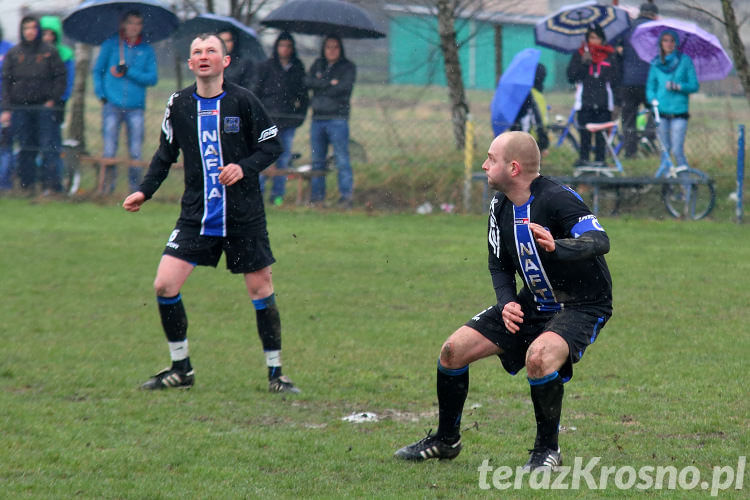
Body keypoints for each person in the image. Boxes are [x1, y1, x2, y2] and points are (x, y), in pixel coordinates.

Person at [394, 131, 612, 470]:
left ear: (512, 168)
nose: (483, 164)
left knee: (538, 358)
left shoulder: (557, 198)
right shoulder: (500, 206)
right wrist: (507, 301)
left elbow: (600, 240)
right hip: (534, 301)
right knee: (452, 352)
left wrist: (560, 246)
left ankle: (547, 451)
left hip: (581, 304)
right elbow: (498, 263)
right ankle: (446, 440)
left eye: (490, 159)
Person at [123, 33, 300, 394]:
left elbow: (271, 145)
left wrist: (244, 167)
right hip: (197, 215)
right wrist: (144, 190)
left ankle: (276, 374)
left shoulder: (243, 101)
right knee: (164, 284)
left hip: (243, 215)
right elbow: (164, 154)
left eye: (211, 52)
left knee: (260, 288)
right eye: (197, 52)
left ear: (225, 61)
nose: (204, 57)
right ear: (190, 64)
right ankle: (181, 368)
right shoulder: (179, 104)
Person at [93, 10, 158, 194]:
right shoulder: (111, 45)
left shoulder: (146, 50)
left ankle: (135, 189)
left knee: (136, 149)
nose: (134, 27)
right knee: (109, 148)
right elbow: (98, 71)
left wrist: (130, 71)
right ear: (123, 24)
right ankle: (106, 188)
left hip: (135, 107)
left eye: (138, 23)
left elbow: (152, 78)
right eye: (130, 23)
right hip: (112, 104)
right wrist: (101, 94)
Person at [0, 16, 67, 194]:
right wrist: (7, 107)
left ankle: (50, 186)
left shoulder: (49, 52)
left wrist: (52, 99)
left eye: (32, 28)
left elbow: (60, 77)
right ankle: (26, 185)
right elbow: (6, 81)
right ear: (22, 31)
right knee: (25, 146)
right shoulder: (14, 53)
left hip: (43, 107)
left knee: (48, 146)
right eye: (26, 28)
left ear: (37, 30)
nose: (29, 31)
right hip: (20, 107)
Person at [253, 31, 308, 206]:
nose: (285, 49)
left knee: (283, 159)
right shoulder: (266, 67)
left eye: (288, 46)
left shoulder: (297, 68)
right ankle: (258, 194)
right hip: (268, 120)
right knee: (263, 156)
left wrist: (299, 117)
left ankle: (278, 196)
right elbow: (256, 93)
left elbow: (304, 97)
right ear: (277, 47)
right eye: (282, 45)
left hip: (288, 121)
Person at [305, 34, 356, 208]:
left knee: (342, 159)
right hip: (317, 118)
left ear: (340, 49)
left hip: (337, 119)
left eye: (335, 47)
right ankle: (317, 198)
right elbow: (307, 82)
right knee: (317, 160)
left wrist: (322, 85)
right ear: (323, 48)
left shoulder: (347, 67)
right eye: (328, 47)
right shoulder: (318, 65)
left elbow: (344, 88)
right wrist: (329, 83)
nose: (332, 50)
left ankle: (346, 197)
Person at [567, 23, 619, 165]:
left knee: (602, 137)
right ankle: (584, 161)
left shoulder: (609, 55)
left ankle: (600, 162)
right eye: (591, 37)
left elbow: (616, 79)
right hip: (585, 102)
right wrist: (584, 64)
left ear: (602, 39)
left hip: (604, 102)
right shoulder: (580, 54)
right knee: (585, 134)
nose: (594, 41)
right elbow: (571, 76)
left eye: (597, 38)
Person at [646, 29, 698, 170]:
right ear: (660, 43)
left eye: (672, 40)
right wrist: (653, 100)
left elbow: (694, 85)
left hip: (679, 113)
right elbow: (650, 87)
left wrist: (679, 86)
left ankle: (686, 185)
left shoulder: (685, 61)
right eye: (665, 40)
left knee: (677, 150)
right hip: (661, 113)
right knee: (665, 151)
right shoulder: (656, 63)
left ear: (676, 43)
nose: (668, 44)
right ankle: (666, 186)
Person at [615, 2, 659, 158]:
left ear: (640, 13)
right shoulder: (657, 30)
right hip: (649, 82)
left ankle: (630, 152)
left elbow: (618, 52)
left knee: (628, 118)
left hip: (628, 82)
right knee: (657, 110)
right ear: (655, 15)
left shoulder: (627, 29)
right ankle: (648, 136)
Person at [40, 15, 75, 193]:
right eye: (44, 33)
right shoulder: (36, 53)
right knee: (37, 144)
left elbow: (67, 83)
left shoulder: (65, 54)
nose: (47, 37)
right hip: (37, 105)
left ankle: (54, 182)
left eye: (50, 33)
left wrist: (58, 100)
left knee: (52, 144)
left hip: (56, 106)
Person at [511, 63, 549, 153]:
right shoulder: (537, 95)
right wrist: (543, 141)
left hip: (526, 139)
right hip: (533, 138)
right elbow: (539, 119)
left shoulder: (525, 94)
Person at [0, 23, 15, 191]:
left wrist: (7, 107)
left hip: (4, 104)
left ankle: (4, 185)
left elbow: (10, 79)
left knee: (5, 144)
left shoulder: (9, 49)